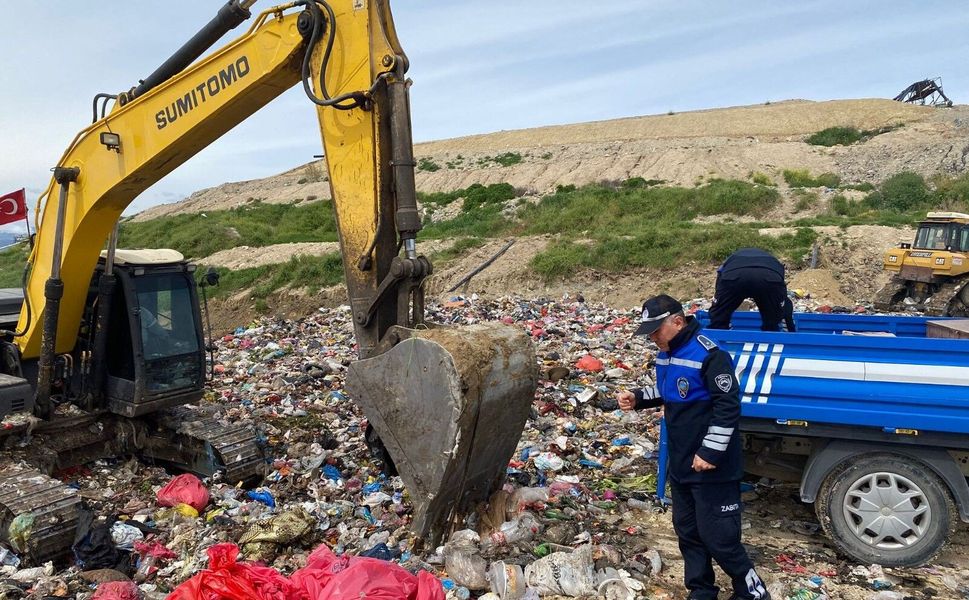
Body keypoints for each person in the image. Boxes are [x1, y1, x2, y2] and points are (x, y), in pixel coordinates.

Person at [617, 294, 770, 600]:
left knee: (720, 538)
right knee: (688, 533)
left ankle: (752, 591)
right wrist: (638, 396)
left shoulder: (709, 354)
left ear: (677, 321)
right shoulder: (667, 353)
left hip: (712, 466)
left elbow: (727, 406)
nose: (652, 339)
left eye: (655, 331)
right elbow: (667, 389)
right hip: (682, 462)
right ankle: (701, 590)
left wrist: (710, 452)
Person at [707, 248, 795, 332]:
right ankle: (781, 336)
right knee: (774, 315)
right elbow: (781, 287)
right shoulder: (772, 261)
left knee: (719, 316)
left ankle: (719, 336)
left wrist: (719, 306)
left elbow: (720, 278)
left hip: (734, 276)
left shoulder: (731, 259)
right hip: (769, 277)